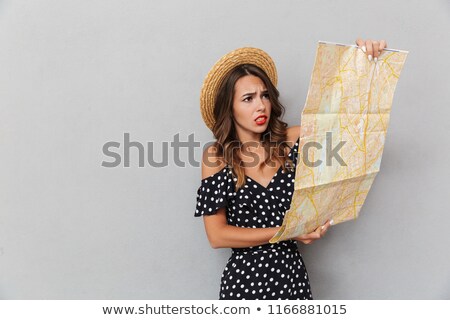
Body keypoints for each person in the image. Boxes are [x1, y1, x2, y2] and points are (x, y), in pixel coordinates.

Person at [194, 38, 388, 300]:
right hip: (243, 283)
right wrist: (288, 231)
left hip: (291, 278)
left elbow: (351, 125)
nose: (261, 105)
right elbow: (217, 235)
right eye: (248, 99)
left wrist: (363, 61)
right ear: (230, 107)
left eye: (264, 95)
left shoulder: (294, 139)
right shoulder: (216, 157)